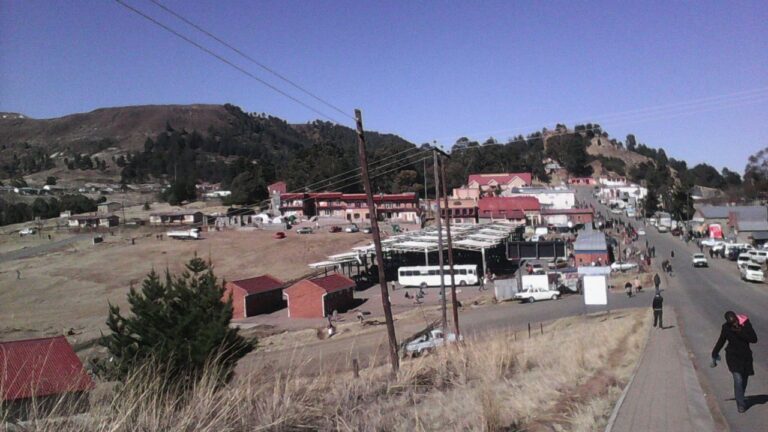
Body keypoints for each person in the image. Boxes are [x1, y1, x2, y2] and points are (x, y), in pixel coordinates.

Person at [711, 311, 758, 413]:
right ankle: (741, 405)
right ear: (728, 323)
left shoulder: (745, 324)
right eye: (732, 323)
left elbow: (754, 339)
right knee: (738, 379)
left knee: (744, 379)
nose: (735, 324)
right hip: (732, 357)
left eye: (735, 321)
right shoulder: (726, 327)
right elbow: (721, 341)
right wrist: (714, 353)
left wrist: (740, 331)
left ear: (737, 318)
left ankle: (740, 396)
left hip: (745, 356)